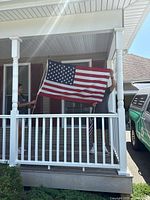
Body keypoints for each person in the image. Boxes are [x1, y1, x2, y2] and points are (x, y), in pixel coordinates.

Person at [90, 69, 116, 154]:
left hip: (104, 114)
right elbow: (90, 102)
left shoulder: (107, 91)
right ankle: (94, 147)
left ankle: (104, 147)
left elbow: (114, 85)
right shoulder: (94, 92)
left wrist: (112, 76)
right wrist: (92, 104)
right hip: (95, 114)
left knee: (103, 131)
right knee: (95, 131)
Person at [18, 83, 36, 154]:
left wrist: (31, 106)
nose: (21, 89)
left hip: (23, 116)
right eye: (20, 88)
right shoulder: (16, 96)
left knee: (21, 133)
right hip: (18, 116)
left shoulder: (22, 96)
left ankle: (20, 147)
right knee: (19, 133)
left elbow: (25, 105)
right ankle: (17, 148)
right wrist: (30, 102)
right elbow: (19, 105)